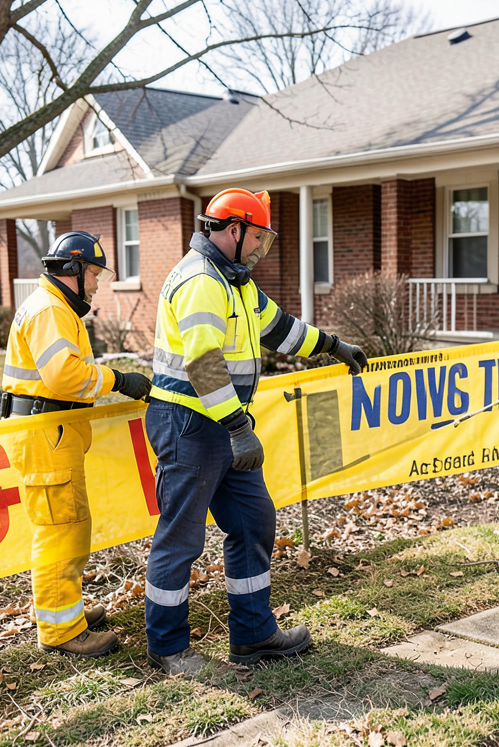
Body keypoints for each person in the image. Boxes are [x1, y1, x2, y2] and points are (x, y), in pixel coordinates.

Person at [144, 188, 368, 675]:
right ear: (233, 230)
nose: (262, 248)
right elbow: (202, 363)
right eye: (259, 238)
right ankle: (168, 648)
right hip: (191, 424)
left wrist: (332, 344)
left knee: (252, 520)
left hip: (224, 426)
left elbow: (279, 328)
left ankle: (253, 635)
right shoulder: (202, 281)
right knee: (181, 538)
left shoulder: (237, 283)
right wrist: (238, 426)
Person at [2, 231, 152, 657]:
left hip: (48, 431)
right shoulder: (51, 308)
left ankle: (66, 612)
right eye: (94, 273)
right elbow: (64, 376)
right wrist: (119, 379)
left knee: (66, 526)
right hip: (45, 432)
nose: (98, 282)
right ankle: (61, 632)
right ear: (73, 269)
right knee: (61, 530)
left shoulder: (52, 305)